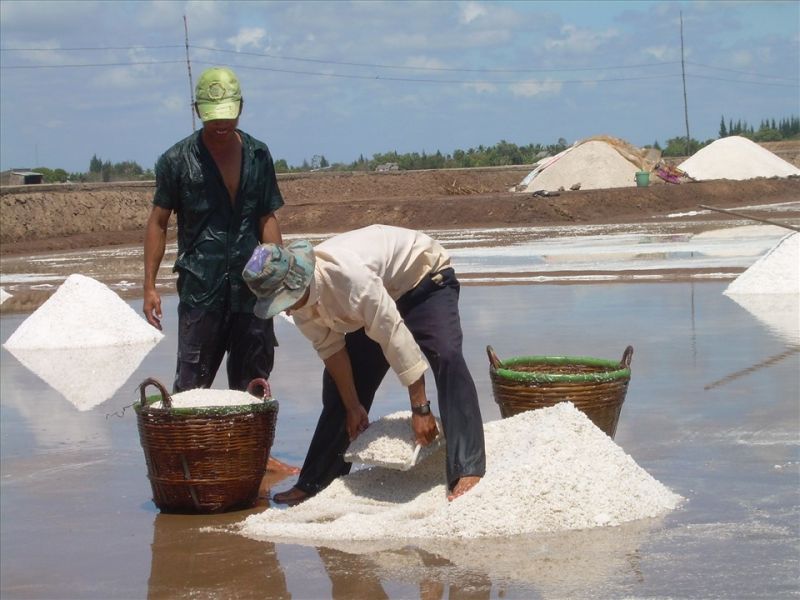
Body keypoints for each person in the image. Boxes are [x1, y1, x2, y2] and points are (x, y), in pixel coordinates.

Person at [242, 224, 487, 504]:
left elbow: (393, 335)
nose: (284, 309)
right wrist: (352, 406)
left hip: (424, 280)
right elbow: (332, 351)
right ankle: (316, 481)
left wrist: (420, 408)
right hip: (380, 297)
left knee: (447, 356)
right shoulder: (300, 307)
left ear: (298, 283)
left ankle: (467, 468)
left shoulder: (349, 279)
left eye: (283, 301)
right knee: (340, 386)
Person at [143, 66, 294, 472]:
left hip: (251, 289)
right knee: (192, 385)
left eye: (228, 115)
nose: (221, 124)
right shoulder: (176, 160)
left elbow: (266, 216)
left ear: (241, 108)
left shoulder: (259, 154)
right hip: (201, 289)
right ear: (198, 111)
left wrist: (279, 276)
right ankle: (191, 463)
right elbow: (158, 223)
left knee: (253, 380)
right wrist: (149, 287)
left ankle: (254, 459)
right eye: (213, 117)